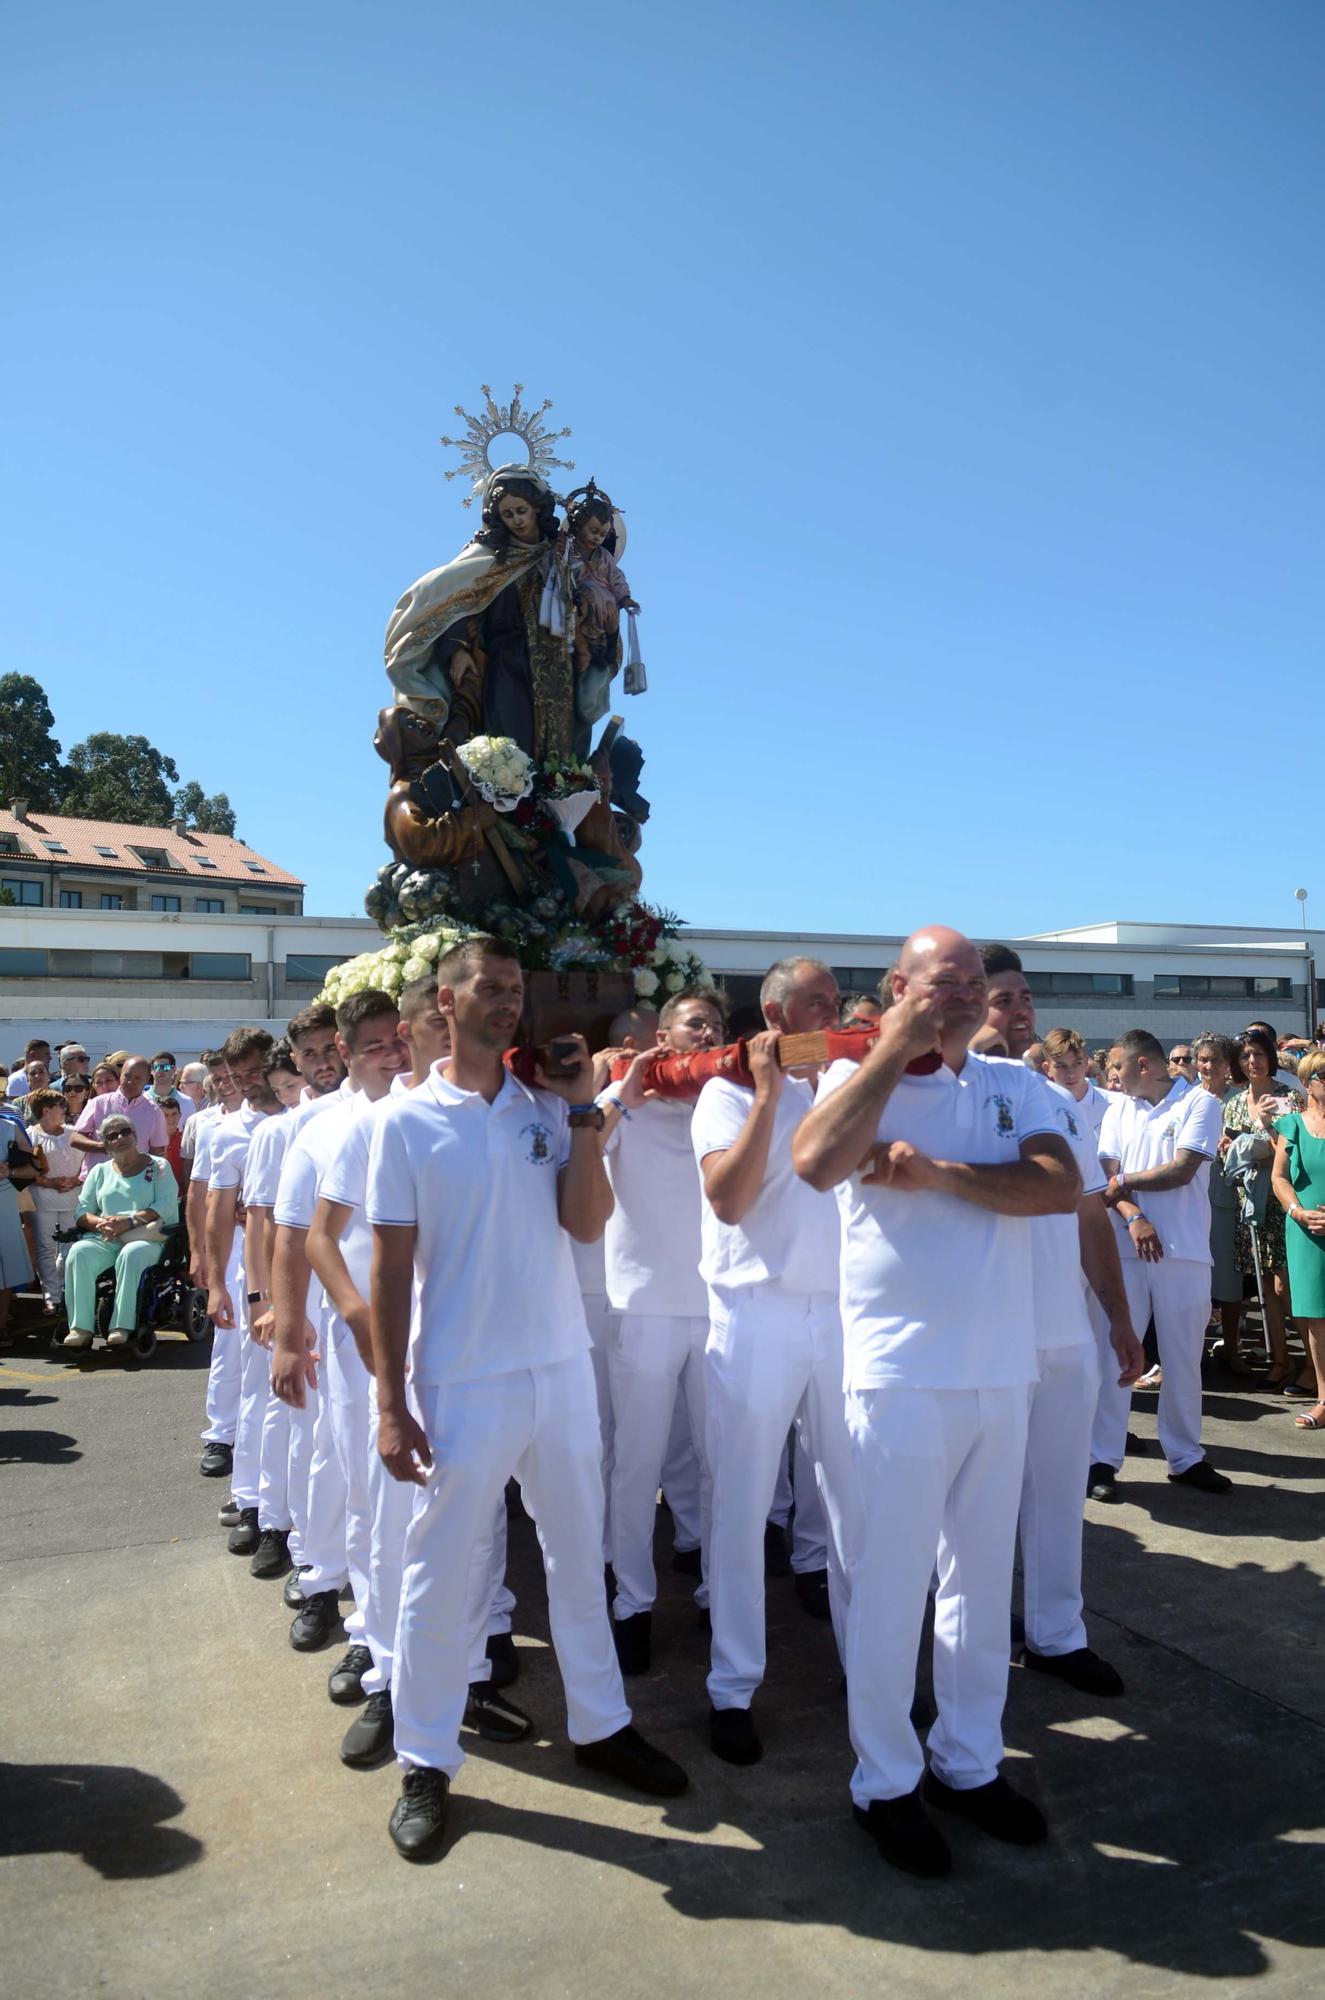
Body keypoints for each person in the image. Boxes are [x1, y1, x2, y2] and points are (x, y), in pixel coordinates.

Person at [367, 935, 687, 1861]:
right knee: (444, 1569)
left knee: (576, 1551)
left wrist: (585, 1115)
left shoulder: (546, 1110)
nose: (507, 1002)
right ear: (445, 997)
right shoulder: (406, 1124)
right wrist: (390, 1400)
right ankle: (425, 1755)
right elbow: (389, 1271)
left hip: (558, 1364)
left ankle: (599, 1723)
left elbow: (586, 1223)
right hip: (463, 1375)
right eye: (490, 988)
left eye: (515, 990)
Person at [793, 927, 1080, 1879]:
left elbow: (1056, 1187)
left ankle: (968, 1760)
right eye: (938, 983)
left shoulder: (1011, 1086)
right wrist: (886, 1046)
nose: (958, 996)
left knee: (975, 1586)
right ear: (898, 988)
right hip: (900, 1378)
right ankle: (883, 1781)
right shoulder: (853, 1077)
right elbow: (813, 1163)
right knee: (888, 1588)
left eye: (969, 984)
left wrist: (935, 1175)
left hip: (998, 1370)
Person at [692, 956, 863, 1768]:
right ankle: (732, 1685)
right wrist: (766, 1093)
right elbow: (727, 1198)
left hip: (836, 1311)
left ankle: (870, 1670)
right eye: (814, 1003)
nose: (830, 1014)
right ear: (772, 1013)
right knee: (740, 1503)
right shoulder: (722, 1092)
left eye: (834, 1002)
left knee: (853, 1502)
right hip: (755, 1313)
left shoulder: (840, 1083)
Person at [310, 973, 453, 1768]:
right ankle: (388, 1672)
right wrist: (360, 1319)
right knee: (379, 1508)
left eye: (420, 1029)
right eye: (402, 1031)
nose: (407, 1044)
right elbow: (316, 1237)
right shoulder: (361, 1126)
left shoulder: (479, 1112)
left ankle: (465, 1662)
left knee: (455, 1513)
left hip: (453, 1340)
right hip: (374, 1344)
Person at [595, 987, 726, 1675]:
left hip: (715, 1303)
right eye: (692, 1023)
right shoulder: (626, 1093)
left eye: (714, 1024)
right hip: (642, 1302)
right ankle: (632, 1603)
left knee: (713, 1458)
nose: (704, 1032)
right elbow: (580, 1146)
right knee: (636, 1461)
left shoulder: (727, 1098)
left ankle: (713, 1589)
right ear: (663, 1034)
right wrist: (621, 1086)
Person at [1096, 1030, 1230, 1495]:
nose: (1113, 1075)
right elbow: (1107, 1177)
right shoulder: (1118, 1109)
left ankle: (1185, 1456)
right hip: (1125, 1248)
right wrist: (1134, 1218)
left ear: (1145, 1066)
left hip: (1184, 1251)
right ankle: (1102, 1459)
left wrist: (1126, 1186)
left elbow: (1183, 1168)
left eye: (1118, 1066)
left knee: (1182, 1359)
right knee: (1116, 1352)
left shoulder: (1199, 1103)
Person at [1224, 1028, 1305, 1389]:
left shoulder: (1288, 1097)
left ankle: (1312, 1361)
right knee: (1263, 1287)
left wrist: (1266, 1132)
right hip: (1250, 1203)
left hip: (1283, 1200)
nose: (1252, 1062)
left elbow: (1295, 1151)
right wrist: (1232, 1144)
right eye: (1245, 1056)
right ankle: (1280, 1360)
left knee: (1286, 1286)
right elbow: (1228, 1148)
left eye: (1258, 1054)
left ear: (1270, 1056)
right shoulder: (1236, 1102)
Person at [62, 1115, 180, 1349]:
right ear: (105, 1145)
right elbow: (82, 1211)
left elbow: (165, 1205)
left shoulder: (158, 1166)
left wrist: (128, 1221)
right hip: (107, 1235)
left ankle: (121, 1326)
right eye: (112, 1136)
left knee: (132, 1253)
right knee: (79, 1252)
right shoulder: (99, 1172)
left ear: (136, 1136)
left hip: (147, 1236)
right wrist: (101, 1224)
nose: (120, 1138)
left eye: (125, 1131)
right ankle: (80, 1328)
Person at [1271, 1052, 1325, 1432]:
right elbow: (1279, 1178)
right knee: (1315, 1317)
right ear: (1308, 1083)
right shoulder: (1291, 1125)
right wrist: (1297, 1211)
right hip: (1305, 1229)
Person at [1191, 1033, 1250, 1376]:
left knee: (1228, 1280)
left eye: (1214, 1060)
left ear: (1229, 1065)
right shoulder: (1183, 1100)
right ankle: (1188, 1351)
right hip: (1190, 1200)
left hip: (1226, 1200)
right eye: (1203, 1059)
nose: (1207, 1066)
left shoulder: (1239, 1102)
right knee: (1191, 1281)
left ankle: (1231, 1347)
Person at [27, 1087, 81, 1312]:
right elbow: (27, 1170)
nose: (64, 1109)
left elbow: (86, 1163)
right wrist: (50, 1183)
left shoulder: (72, 1132)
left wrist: (76, 1180)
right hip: (43, 1199)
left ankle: (65, 1290)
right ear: (46, 1110)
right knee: (46, 1247)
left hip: (73, 1198)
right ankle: (51, 1295)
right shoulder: (31, 1135)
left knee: (69, 1248)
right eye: (60, 1106)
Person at [70, 1056, 168, 1179]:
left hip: (135, 1182)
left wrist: (154, 1179)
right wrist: (103, 1147)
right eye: (127, 1076)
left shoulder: (154, 1111)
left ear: (147, 1080)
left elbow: (157, 1152)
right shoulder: (98, 1103)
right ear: (120, 1075)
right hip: (99, 1180)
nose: (131, 1082)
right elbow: (75, 1138)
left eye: (138, 1078)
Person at [0, 1093, 35, 1347]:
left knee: (4, 1270)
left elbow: (35, 1167)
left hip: (3, 1202)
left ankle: (1, 1326)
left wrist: (9, 1170)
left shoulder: (10, 1128)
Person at [1041, 1027, 1114, 1146]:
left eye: (1077, 1064)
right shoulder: (1038, 1110)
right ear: (1047, 1069)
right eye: (1061, 1066)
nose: (1071, 1074)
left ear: (1086, 1063)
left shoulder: (1114, 1105)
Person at [981, 944, 1037, 1061]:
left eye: (1025, 999)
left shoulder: (1038, 1078)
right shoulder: (942, 1075)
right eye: (1004, 1001)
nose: (1022, 1010)